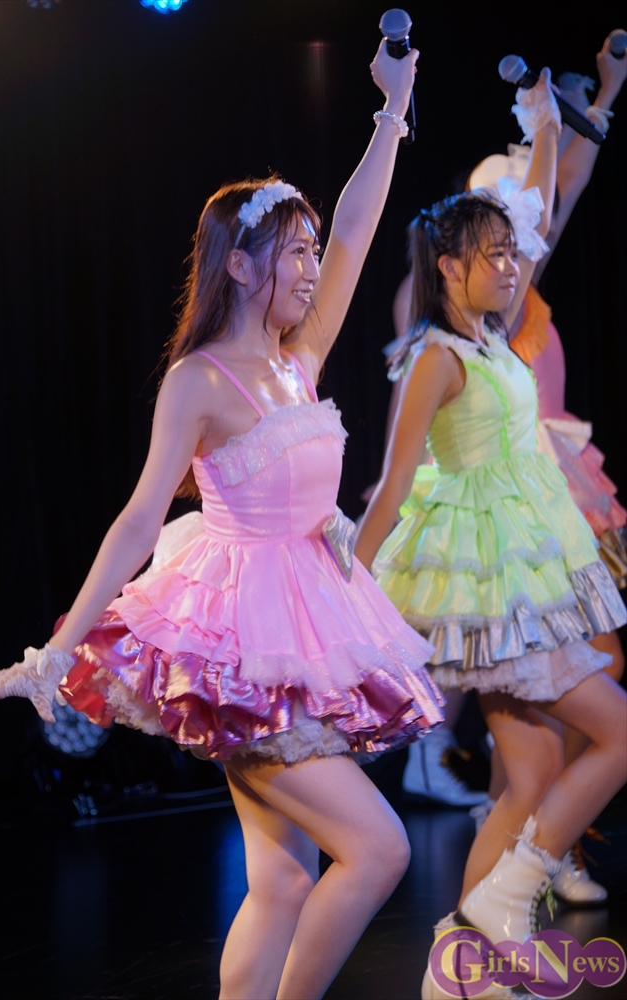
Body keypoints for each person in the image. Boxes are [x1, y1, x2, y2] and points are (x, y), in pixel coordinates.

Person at [0, 41, 446, 1000]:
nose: (312, 267)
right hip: (242, 644)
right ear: (242, 261)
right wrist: (54, 653)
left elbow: (359, 228)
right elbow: (139, 519)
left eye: (311, 252)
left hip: (309, 624)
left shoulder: (299, 358)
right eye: (295, 251)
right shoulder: (200, 380)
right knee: (380, 849)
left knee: (282, 881)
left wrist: (393, 110)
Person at [353, 70, 627, 1000]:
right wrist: (349, 591)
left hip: (527, 570)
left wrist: (546, 126)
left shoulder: (493, 336)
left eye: (513, 253)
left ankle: (460, 966)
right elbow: (396, 484)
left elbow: (541, 212)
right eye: (492, 254)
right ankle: (505, 903)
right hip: (494, 582)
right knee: (614, 732)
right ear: (448, 266)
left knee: (532, 773)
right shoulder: (435, 355)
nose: (511, 265)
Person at [463, 33, 627, 908]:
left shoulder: (515, 281)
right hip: (521, 507)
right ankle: (535, 847)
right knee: (556, 692)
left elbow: (563, 190)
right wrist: (559, 123)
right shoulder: (492, 300)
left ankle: (541, 839)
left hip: (555, 491)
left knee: (561, 692)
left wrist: (598, 99)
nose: (529, 228)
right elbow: (552, 197)